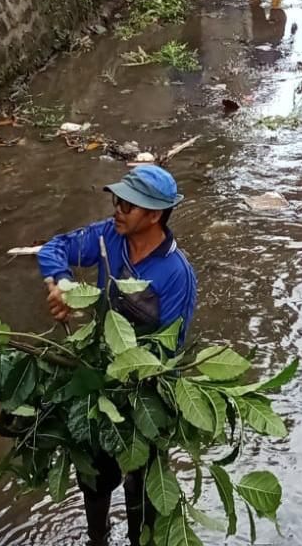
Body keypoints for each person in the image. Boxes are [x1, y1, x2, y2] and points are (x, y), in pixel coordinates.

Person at [38, 165, 197, 546]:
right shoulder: (109, 239)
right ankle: (98, 538)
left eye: (128, 205)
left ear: (155, 215)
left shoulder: (176, 273)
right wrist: (60, 285)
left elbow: (168, 350)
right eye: (117, 201)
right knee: (94, 474)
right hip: (97, 382)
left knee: (141, 484)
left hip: (145, 390)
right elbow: (54, 248)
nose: (117, 210)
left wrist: (127, 376)